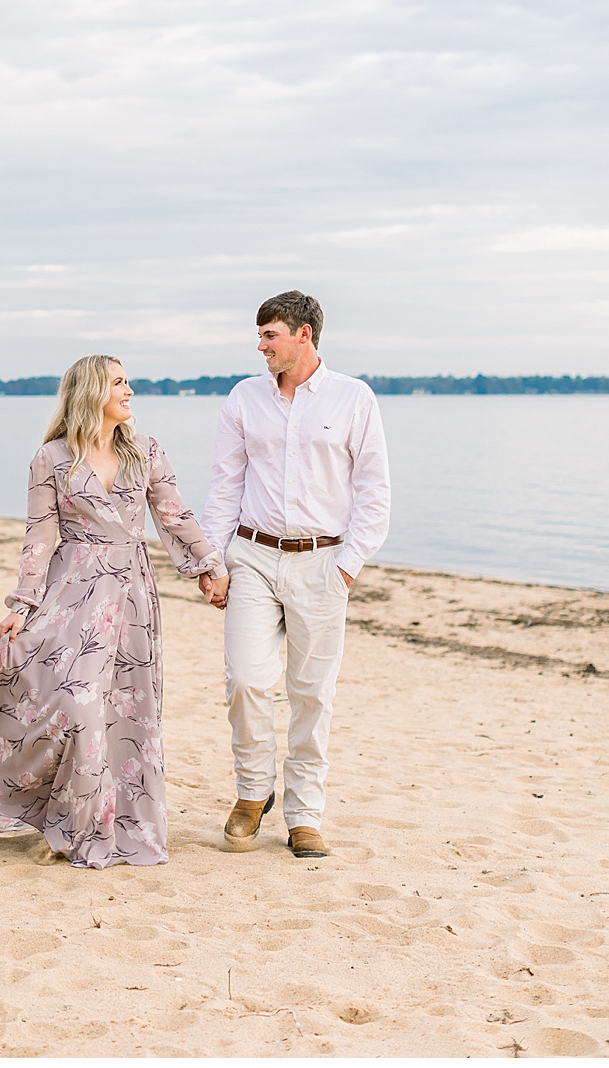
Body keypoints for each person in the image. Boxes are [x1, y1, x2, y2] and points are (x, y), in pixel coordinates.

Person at [0, 355, 227, 868]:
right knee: (74, 708)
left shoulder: (145, 449)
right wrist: (23, 602)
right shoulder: (50, 458)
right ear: (93, 390)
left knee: (125, 711)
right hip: (69, 594)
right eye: (120, 382)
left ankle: (107, 823)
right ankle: (71, 818)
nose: (131, 391)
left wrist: (208, 563)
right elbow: (40, 535)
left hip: (130, 594)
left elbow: (173, 514)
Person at [200, 290, 391, 860]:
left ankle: (305, 815)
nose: (261, 346)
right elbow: (225, 486)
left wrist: (348, 567)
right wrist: (213, 563)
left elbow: (373, 490)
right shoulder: (243, 399)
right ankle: (253, 792)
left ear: (303, 335)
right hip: (253, 557)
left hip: (323, 563)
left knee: (312, 695)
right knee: (246, 681)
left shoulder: (353, 398)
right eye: (259, 336)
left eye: (270, 336)